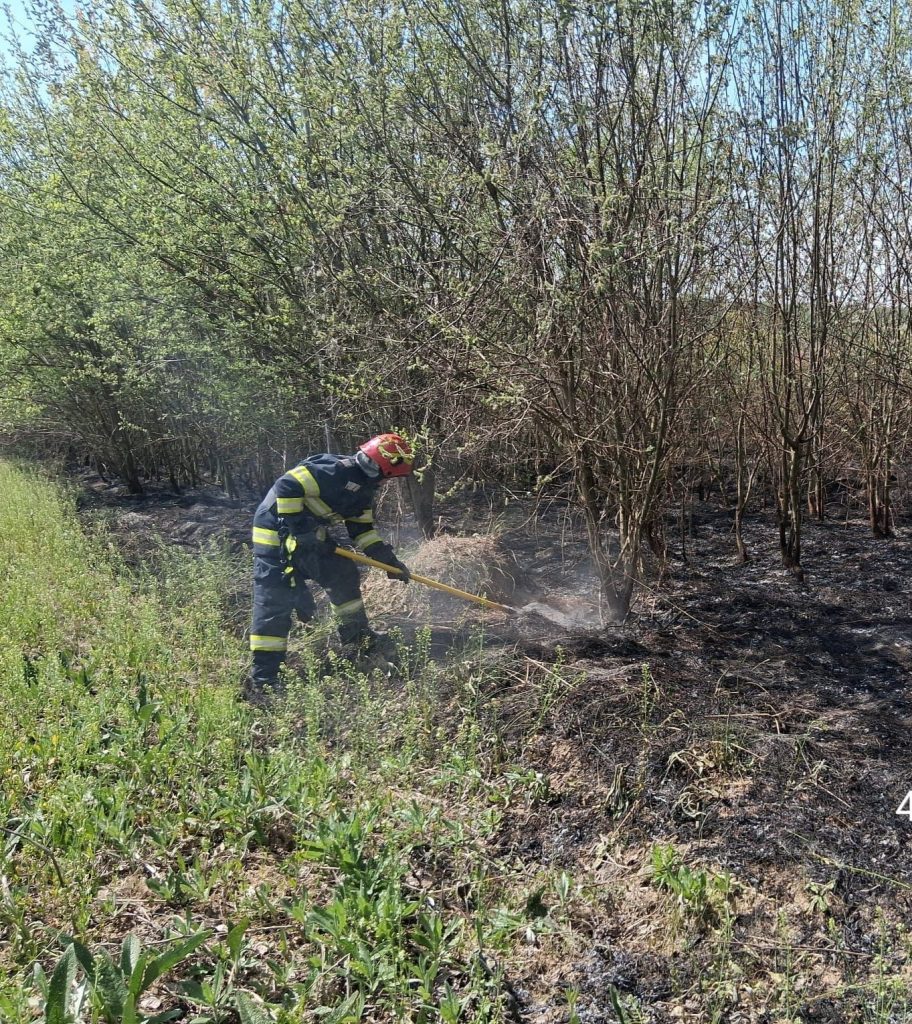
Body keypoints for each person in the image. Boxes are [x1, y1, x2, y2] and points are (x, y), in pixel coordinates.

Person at [246, 433, 414, 698]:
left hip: (308, 536)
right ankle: (265, 679)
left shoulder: (365, 490)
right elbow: (286, 485)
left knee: (342, 573)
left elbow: (361, 530)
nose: (387, 482)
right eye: (389, 476)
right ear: (382, 468)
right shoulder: (333, 471)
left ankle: (356, 637)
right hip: (274, 536)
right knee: (274, 600)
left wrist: (387, 560)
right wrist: (300, 530)